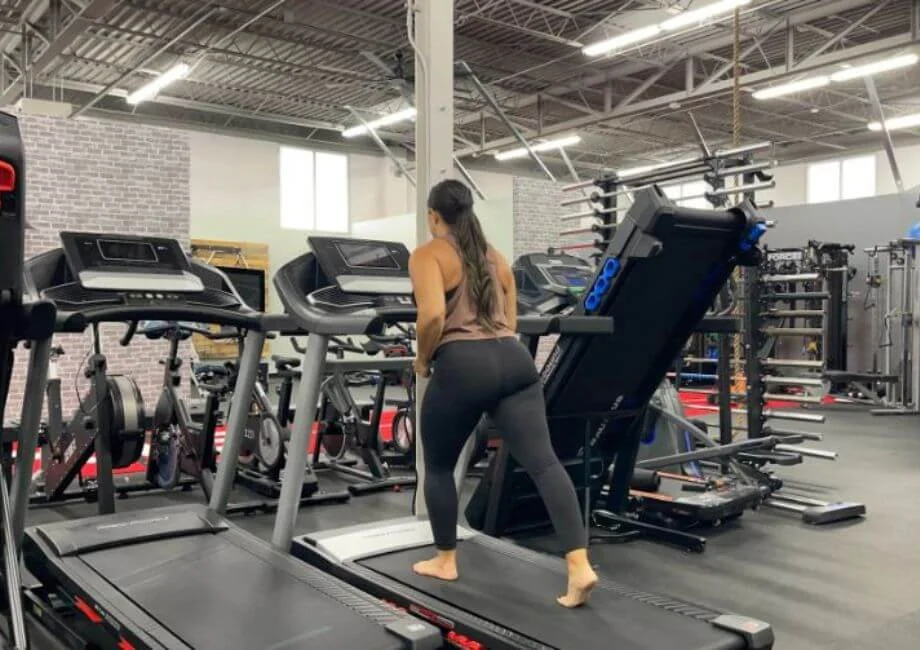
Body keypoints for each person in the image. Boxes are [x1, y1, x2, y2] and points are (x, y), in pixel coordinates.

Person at [408, 179, 598, 608]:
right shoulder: (495, 256)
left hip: (461, 364)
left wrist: (422, 360)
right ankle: (579, 565)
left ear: (434, 216)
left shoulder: (427, 254)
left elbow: (433, 314)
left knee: (437, 466)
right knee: (545, 463)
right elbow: (512, 317)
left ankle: (445, 559)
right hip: (513, 360)